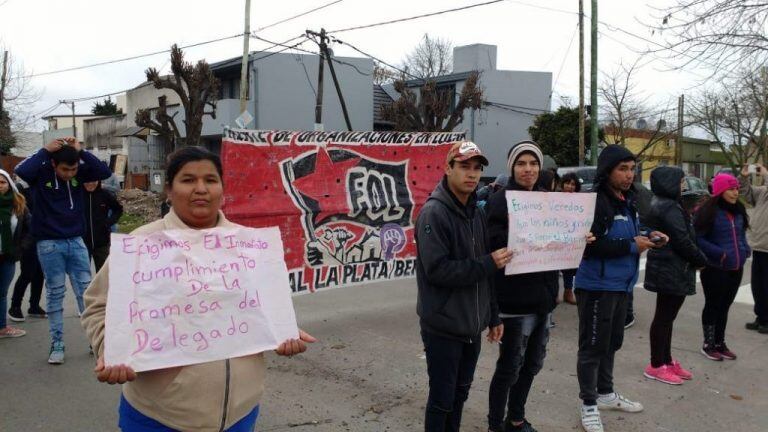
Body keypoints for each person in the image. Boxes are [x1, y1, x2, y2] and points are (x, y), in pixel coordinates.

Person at [81, 146, 316, 432]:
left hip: (240, 412)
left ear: (222, 189)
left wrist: (284, 331)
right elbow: (97, 304)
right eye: (188, 180)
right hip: (160, 417)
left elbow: (260, 307)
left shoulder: (249, 246)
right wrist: (111, 349)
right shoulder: (140, 244)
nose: (201, 189)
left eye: (210, 180)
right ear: (169, 189)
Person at [416, 141, 510, 432]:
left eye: (476, 168)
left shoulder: (476, 212)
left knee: (460, 395)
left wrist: (492, 316)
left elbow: (486, 273)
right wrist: (487, 263)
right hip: (443, 325)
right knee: (442, 399)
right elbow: (437, 270)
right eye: (464, 167)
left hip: (472, 325)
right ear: (447, 168)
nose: (471, 174)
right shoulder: (434, 213)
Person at [574, 145, 667, 432]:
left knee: (611, 343)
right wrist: (631, 246)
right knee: (592, 348)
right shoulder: (594, 203)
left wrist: (647, 235)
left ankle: (605, 393)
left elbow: (628, 233)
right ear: (607, 171)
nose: (629, 175)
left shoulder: (626, 200)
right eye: (623, 169)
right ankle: (588, 404)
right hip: (597, 287)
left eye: (632, 169)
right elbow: (588, 247)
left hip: (620, 285)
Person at [14, 137, 113, 364]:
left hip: (77, 241)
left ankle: (95, 340)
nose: (70, 174)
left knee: (86, 293)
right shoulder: (41, 175)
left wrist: (81, 151)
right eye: (65, 170)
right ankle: (57, 342)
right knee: (55, 292)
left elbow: (103, 172)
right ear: (53, 165)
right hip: (49, 243)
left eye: (74, 169)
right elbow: (21, 170)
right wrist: (45, 151)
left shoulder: (80, 174)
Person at [485, 141, 557, 432]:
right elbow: (494, 245)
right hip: (514, 302)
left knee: (532, 365)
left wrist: (579, 238)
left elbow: (560, 238)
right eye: (521, 163)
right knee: (509, 368)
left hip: (544, 300)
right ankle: (494, 425)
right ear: (512, 168)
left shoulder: (547, 199)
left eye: (533, 164)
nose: (528, 169)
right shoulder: (500, 200)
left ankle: (515, 418)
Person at [642, 166, 708, 385]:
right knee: (663, 318)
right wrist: (701, 260)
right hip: (670, 269)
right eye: (680, 182)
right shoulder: (669, 207)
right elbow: (681, 240)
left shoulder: (667, 204)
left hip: (671, 268)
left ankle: (666, 360)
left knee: (667, 318)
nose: (683, 186)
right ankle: (656, 364)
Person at [694, 173, 750, 361]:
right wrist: (719, 253)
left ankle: (720, 342)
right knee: (713, 305)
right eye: (731, 189)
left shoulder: (738, 210)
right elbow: (698, 238)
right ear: (720, 191)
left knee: (725, 306)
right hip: (715, 267)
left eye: (736, 189)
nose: (735, 193)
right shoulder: (708, 211)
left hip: (736, 267)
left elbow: (741, 235)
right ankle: (708, 344)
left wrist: (745, 249)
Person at [7, 179, 46, 322]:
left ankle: (34, 305)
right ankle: (15, 306)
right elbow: (21, 212)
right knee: (27, 274)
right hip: (29, 239)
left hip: (44, 236)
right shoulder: (20, 187)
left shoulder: (43, 185)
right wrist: (24, 244)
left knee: (40, 273)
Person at [0, 170, 31, 338]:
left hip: (7, 257)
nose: (0, 186)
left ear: (9, 184)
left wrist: (20, 248)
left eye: (2, 182)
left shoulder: (18, 204)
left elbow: (30, 229)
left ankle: (2, 328)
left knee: (2, 293)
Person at [740, 163, 768, 334]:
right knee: (758, 285)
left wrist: (765, 174)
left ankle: (767, 319)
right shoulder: (763, 192)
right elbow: (746, 194)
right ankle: (761, 316)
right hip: (759, 245)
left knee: (766, 285)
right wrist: (744, 177)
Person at [83, 180, 123, 272]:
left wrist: (108, 222)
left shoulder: (105, 194)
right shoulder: (78, 195)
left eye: (94, 180)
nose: (90, 183)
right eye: (87, 181)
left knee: (103, 273)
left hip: (102, 242)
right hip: (82, 243)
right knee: (83, 276)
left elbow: (118, 209)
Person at [560, 172, 581, 305]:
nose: (570, 186)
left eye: (573, 184)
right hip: (556, 238)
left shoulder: (581, 201)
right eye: (567, 183)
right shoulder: (554, 199)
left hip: (573, 239)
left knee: (571, 267)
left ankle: (568, 292)